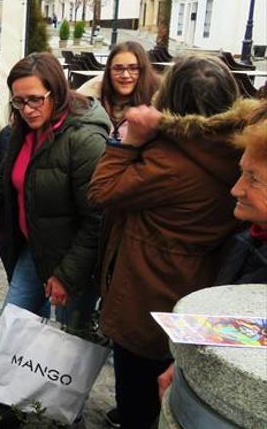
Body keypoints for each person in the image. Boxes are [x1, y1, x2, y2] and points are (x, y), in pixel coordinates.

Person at [87, 56, 247, 429]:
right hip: (196, 287)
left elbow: (100, 191)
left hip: (147, 297)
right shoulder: (236, 149)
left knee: (138, 399)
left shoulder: (170, 161)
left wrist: (131, 141)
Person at [0, 52, 110, 329]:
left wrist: (67, 276)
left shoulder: (85, 140)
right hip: (34, 250)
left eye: (35, 99)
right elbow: (2, 185)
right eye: (19, 101)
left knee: (69, 344)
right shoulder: (20, 132)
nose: (27, 109)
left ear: (57, 92)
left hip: (75, 262)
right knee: (12, 331)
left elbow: (97, 220)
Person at [157, 113, 267, 402]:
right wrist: (184, 364)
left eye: (254, 179)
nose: (236, 189)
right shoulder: (248, 240)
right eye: (242, 172)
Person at [76, 41, 160, 141]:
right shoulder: (89, 96)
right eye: (118, 68)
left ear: (143, 70)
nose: (125, 75)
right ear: (109, 71)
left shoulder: (159, 101)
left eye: (133, 68)